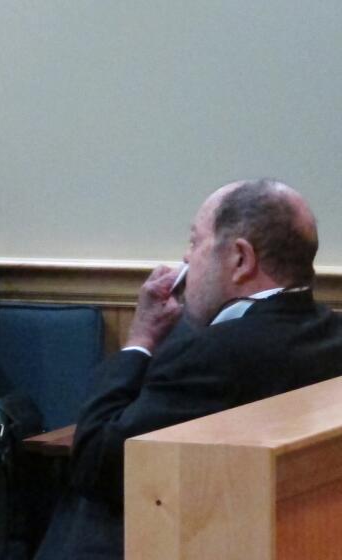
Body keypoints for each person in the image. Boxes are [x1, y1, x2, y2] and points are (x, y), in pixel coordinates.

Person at [36, 178, 342, 559]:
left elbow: (97, 464)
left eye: (195, 242)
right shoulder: (331, 333)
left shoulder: (210, 355)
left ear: (240, 259)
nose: (185, 259)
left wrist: (140, 339)